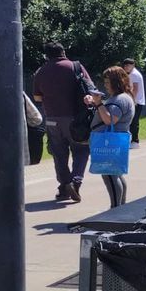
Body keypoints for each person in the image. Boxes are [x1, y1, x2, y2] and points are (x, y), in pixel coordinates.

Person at [32, 42, 99, 202]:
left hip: (52, 119)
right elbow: (90, 88)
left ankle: (64, 186)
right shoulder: (75, 67)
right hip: (76, 118)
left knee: (58, 153)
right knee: (81, 149)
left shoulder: (41, 71)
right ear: (63, 52)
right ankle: (75, 181)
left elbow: (37, 97)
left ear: (46, 54)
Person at [86, 66, 136, 208]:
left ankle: (115, 209)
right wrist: (96, 103)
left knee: (110, 175)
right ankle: (121, 207)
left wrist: (99, 103)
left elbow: (109, 120)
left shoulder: (120, 99)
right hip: (115, 141)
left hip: (109, 142)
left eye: (108, 82)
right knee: (116, 174)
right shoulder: (124, 97)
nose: (106, 85)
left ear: (116, 82)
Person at [121, 58, 145, 149]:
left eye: (128, 65)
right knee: (131, 121)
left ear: (133, 65)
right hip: (135, 101)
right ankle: (131, 140)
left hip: (136, 102)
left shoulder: (134, 74)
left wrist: (130, 100)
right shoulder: (131, 74)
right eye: (125, 65)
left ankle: (135, 141)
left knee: (134, 122)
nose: (126, 67)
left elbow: (135, 89)